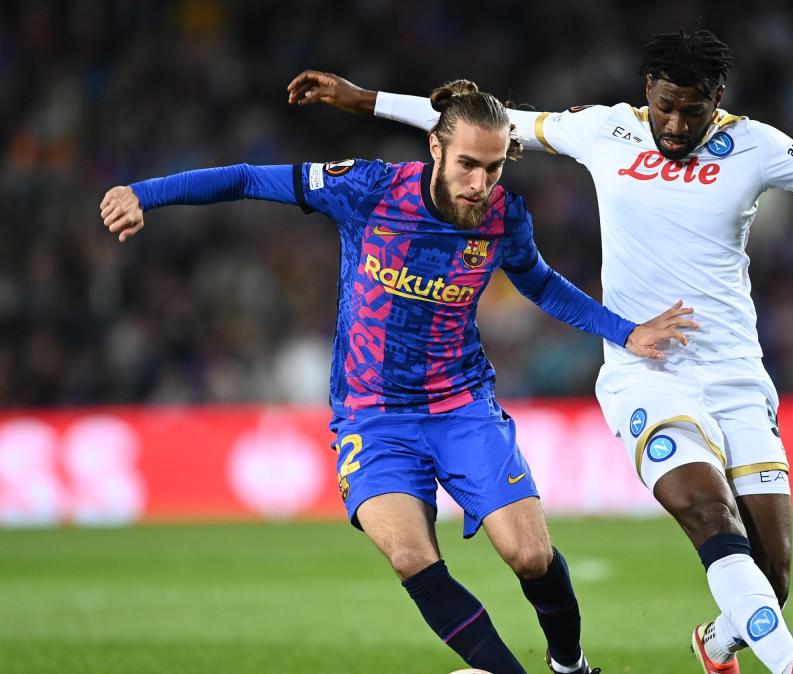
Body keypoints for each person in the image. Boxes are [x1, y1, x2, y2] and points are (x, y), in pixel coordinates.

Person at [286, 23, 793, 674]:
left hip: (736, 376)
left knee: (772, 580)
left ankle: (716, 641)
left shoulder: (756, 146)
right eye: (666, 106)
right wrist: (363, 99)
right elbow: (483, 124)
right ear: (648, 90)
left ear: (717, 100)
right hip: (647, 373)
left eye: (693, 112)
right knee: (708, 513)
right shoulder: (604, 130)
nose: (676, 124)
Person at [99, 80, 699, 674]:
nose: (480, 184)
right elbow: (249, 178)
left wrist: (624, 332)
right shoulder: (367, 188)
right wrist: (143, 194)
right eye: (467, 165)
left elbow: (540, 282)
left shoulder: (504, 217)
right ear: (436, 147)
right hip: (372, 415)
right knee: (412, 557)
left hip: (461, 405)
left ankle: (569, 665)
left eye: (493, 169)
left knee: (530, 555)